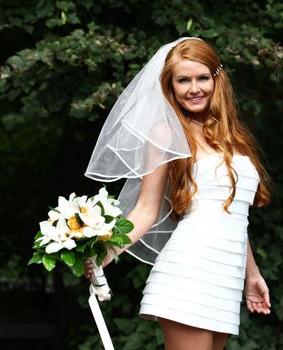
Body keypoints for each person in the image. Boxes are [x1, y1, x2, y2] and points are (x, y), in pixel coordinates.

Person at [84, 37, 271, 350]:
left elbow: (233, 213)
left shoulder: (233, 137)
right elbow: (145, 209)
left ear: (217, 78)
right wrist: (104, 253)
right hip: (188, 274)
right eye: (183, 80)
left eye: (202, 78)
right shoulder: (165, 133)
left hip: (226, 278)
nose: (193, 88)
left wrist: (252, 276)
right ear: (170, 86)